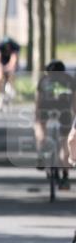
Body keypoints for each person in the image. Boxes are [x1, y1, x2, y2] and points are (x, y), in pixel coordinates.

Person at [36, 60, 75, 190]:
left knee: (39, 125)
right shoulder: (70, 80)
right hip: (64, 111)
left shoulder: (44, 80)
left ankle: (41, 151)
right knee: (65, 144)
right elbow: (74, 103)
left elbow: (38, 100)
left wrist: (36, 115)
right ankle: (65, 176)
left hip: (46, 109)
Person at [0, 36, 21, 109]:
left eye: (8, 46)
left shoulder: (14, 47)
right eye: (6, 46)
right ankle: (0, 94)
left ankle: (11, 89)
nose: (7, 47)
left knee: (11, 73)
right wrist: (0, 68)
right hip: (2, 62)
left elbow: (14, 60)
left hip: (10, 63)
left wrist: (9, 67)